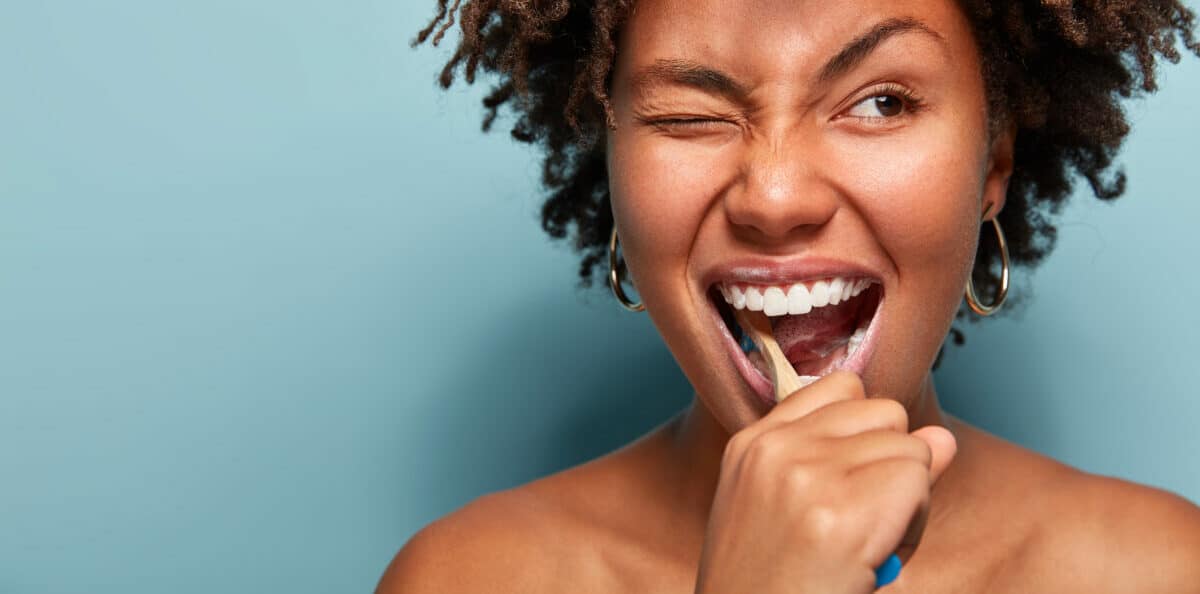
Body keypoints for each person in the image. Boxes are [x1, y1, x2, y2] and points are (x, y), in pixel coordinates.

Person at [379, 1, 1200, 591]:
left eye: (881, 102)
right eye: (688, 115)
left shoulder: (1163, 571)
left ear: (994, 164)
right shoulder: (466, 578)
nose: (772, 198)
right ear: (615, 175)